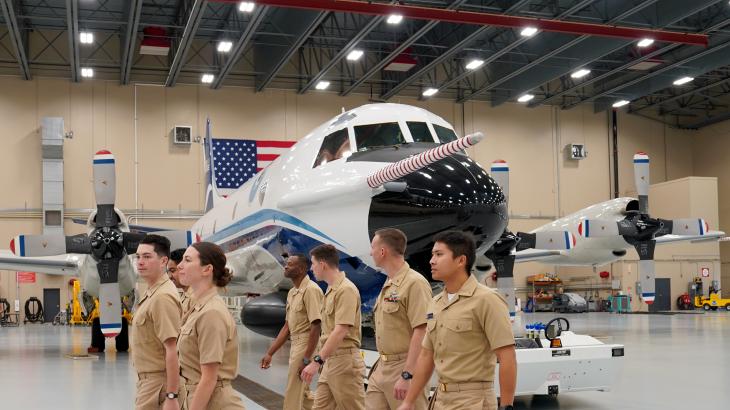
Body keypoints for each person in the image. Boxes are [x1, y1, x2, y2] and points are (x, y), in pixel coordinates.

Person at [398, 231, 517, 410]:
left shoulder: (487, 300)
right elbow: (426, 356)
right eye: (432, 255)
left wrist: (507, 406)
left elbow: (507, 356)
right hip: (440, 398)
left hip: (473, 400)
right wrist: (408, 401)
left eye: (439, 254)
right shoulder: (436, 303)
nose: (431, 261)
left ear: (461, 260)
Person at [366, 229, 431, 410]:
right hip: (381, 367)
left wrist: (407, 374)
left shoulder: (414, 283)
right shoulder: (388, 283)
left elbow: (422, 329)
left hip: (404, 366)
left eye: (373, 247)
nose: (370, 252)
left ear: (382, 251)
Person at [176, 242, 244, 410]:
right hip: (196, 397)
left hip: (213, 402)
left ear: (207, 269)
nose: (179, 266)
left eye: (187, 260)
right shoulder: (197, 307)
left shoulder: (211, 313)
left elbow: (209, 379)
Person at [300, 244, 365, 410]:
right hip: (330, 361)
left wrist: (316, 361)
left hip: (344, 362)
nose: (311, 269)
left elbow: (341, 330)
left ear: (322, 265)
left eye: (313, 264)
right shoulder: (330, 290)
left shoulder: (346, 289)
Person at [260, 254, 324, 410]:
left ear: (301, 269)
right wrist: (270, 353)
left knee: (292, 392)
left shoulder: (311, 290)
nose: (285, 266)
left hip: (306, 344)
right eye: (286, 264)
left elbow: (316, 326)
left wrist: (307, 359)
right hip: (296, 343)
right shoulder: (292, 293)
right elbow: (287, 327)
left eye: (290, 264)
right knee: (303, 394)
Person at [131, 234, 182, 410]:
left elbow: (172, 348)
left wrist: (171, 395)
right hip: (149, 382)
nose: (140, 262)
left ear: (163, 262)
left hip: (158, 384)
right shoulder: (152, 292)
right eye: (138, 256)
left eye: (147, 256)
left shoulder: (163, 297)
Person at [168, 248, 192, 314]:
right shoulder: (180, 295)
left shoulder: (197, 298)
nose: (169, 276)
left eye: (172, 271)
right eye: (168, 271)